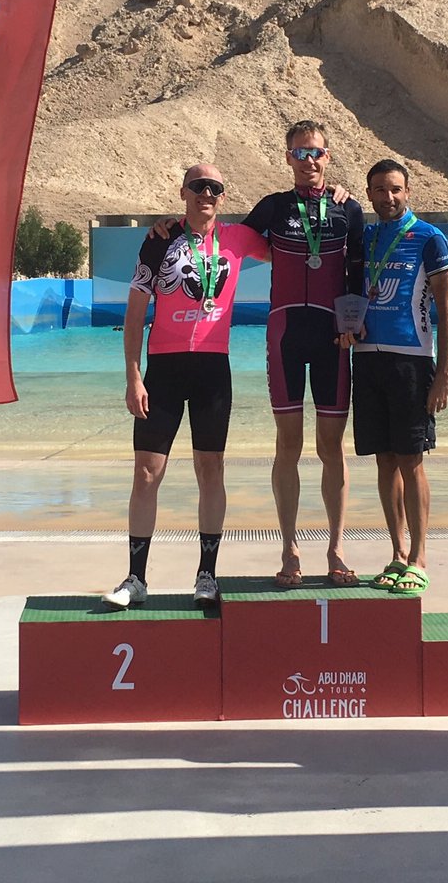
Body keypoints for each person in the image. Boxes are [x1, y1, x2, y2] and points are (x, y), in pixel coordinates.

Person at [104, 164, 268, 609]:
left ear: (222, 196)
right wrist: (133, 375)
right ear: (183, 192)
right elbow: (135, 311)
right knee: (145, 473)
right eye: (199, 187)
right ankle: (136, 578)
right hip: (164, 369)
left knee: (210, 470)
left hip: (214, 369)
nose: (207, 194)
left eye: (215, 188)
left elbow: (288, 248)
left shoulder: (238, 239)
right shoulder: (159, 239)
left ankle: (207, 575)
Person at [242, 121, 365, 587]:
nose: (307, 161)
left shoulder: (347, 209)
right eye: (298, 153)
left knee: (331, 448)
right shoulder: (273, 208)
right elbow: (230, 243)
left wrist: (353, 325)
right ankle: (290, 548)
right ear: (288, 158)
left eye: (314, 153)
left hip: (335, 337)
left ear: (327, 157)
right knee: (287, 446)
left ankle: (335, 548)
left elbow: (357, 271)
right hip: (285, 334)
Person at [346, 158, 448, 596]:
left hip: (411, 361)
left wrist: (443, 374)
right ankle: (395, 551)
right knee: (384, 460)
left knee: (411, 461)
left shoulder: (429, 237)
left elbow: (447, 310)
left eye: (395, 190)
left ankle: (419, 557)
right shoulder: (366, 236)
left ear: (407, 191)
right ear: (369, 193)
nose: (387, 198)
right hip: (367, 361)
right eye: (379, 190)